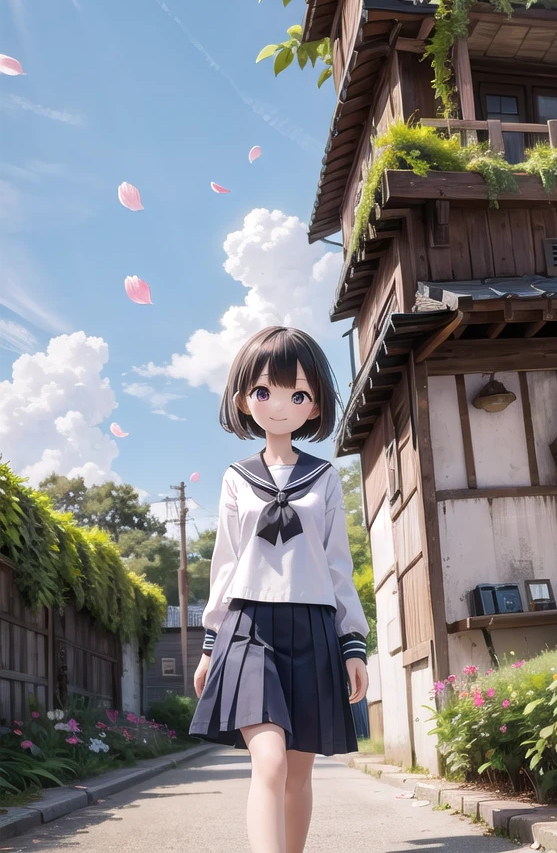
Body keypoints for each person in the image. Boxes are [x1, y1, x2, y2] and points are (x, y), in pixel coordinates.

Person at [189, 325, 369, 853]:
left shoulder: (325, 478)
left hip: (313, 627)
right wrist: (209, 643)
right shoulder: (235, 479)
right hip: (249, 628)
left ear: (313, 406)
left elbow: (339, 565)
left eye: (298, 394)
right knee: (266, 760)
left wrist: (352, 644)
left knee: (297, 772)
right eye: (264, 391)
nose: (280, 405)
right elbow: (224, 564)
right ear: (246, 399)